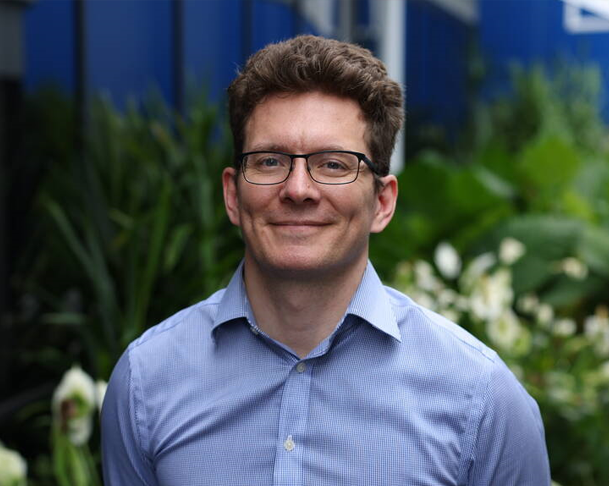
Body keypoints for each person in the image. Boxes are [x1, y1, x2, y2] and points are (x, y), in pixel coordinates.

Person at [101, 35, 551, 486]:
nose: (298, 189)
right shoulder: (145, 383)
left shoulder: (482, 399)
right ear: (232, 195)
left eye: (334, 164)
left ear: (382, 202)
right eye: (270, 161)